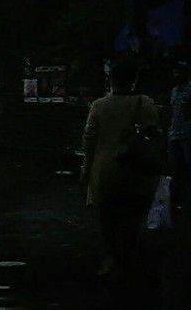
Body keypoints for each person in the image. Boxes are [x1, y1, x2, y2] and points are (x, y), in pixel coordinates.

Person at [80, 54, 162, 276]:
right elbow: (155, 134)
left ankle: (110, 257)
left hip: (105, 170)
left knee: (108, 215)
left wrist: (87, 167)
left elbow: (89, 138)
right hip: (136, 169)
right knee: (132, 214)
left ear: (111, 79)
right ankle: (127, 256)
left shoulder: (99, 105)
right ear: (134, 79)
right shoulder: (145, 103)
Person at [168, 58, 191, 218]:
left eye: (179, 71)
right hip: (174, 134)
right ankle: (176, 201)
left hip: (187, 134)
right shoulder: (173, 91)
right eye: (175, 71)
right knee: (175, 167)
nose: (176, 74)